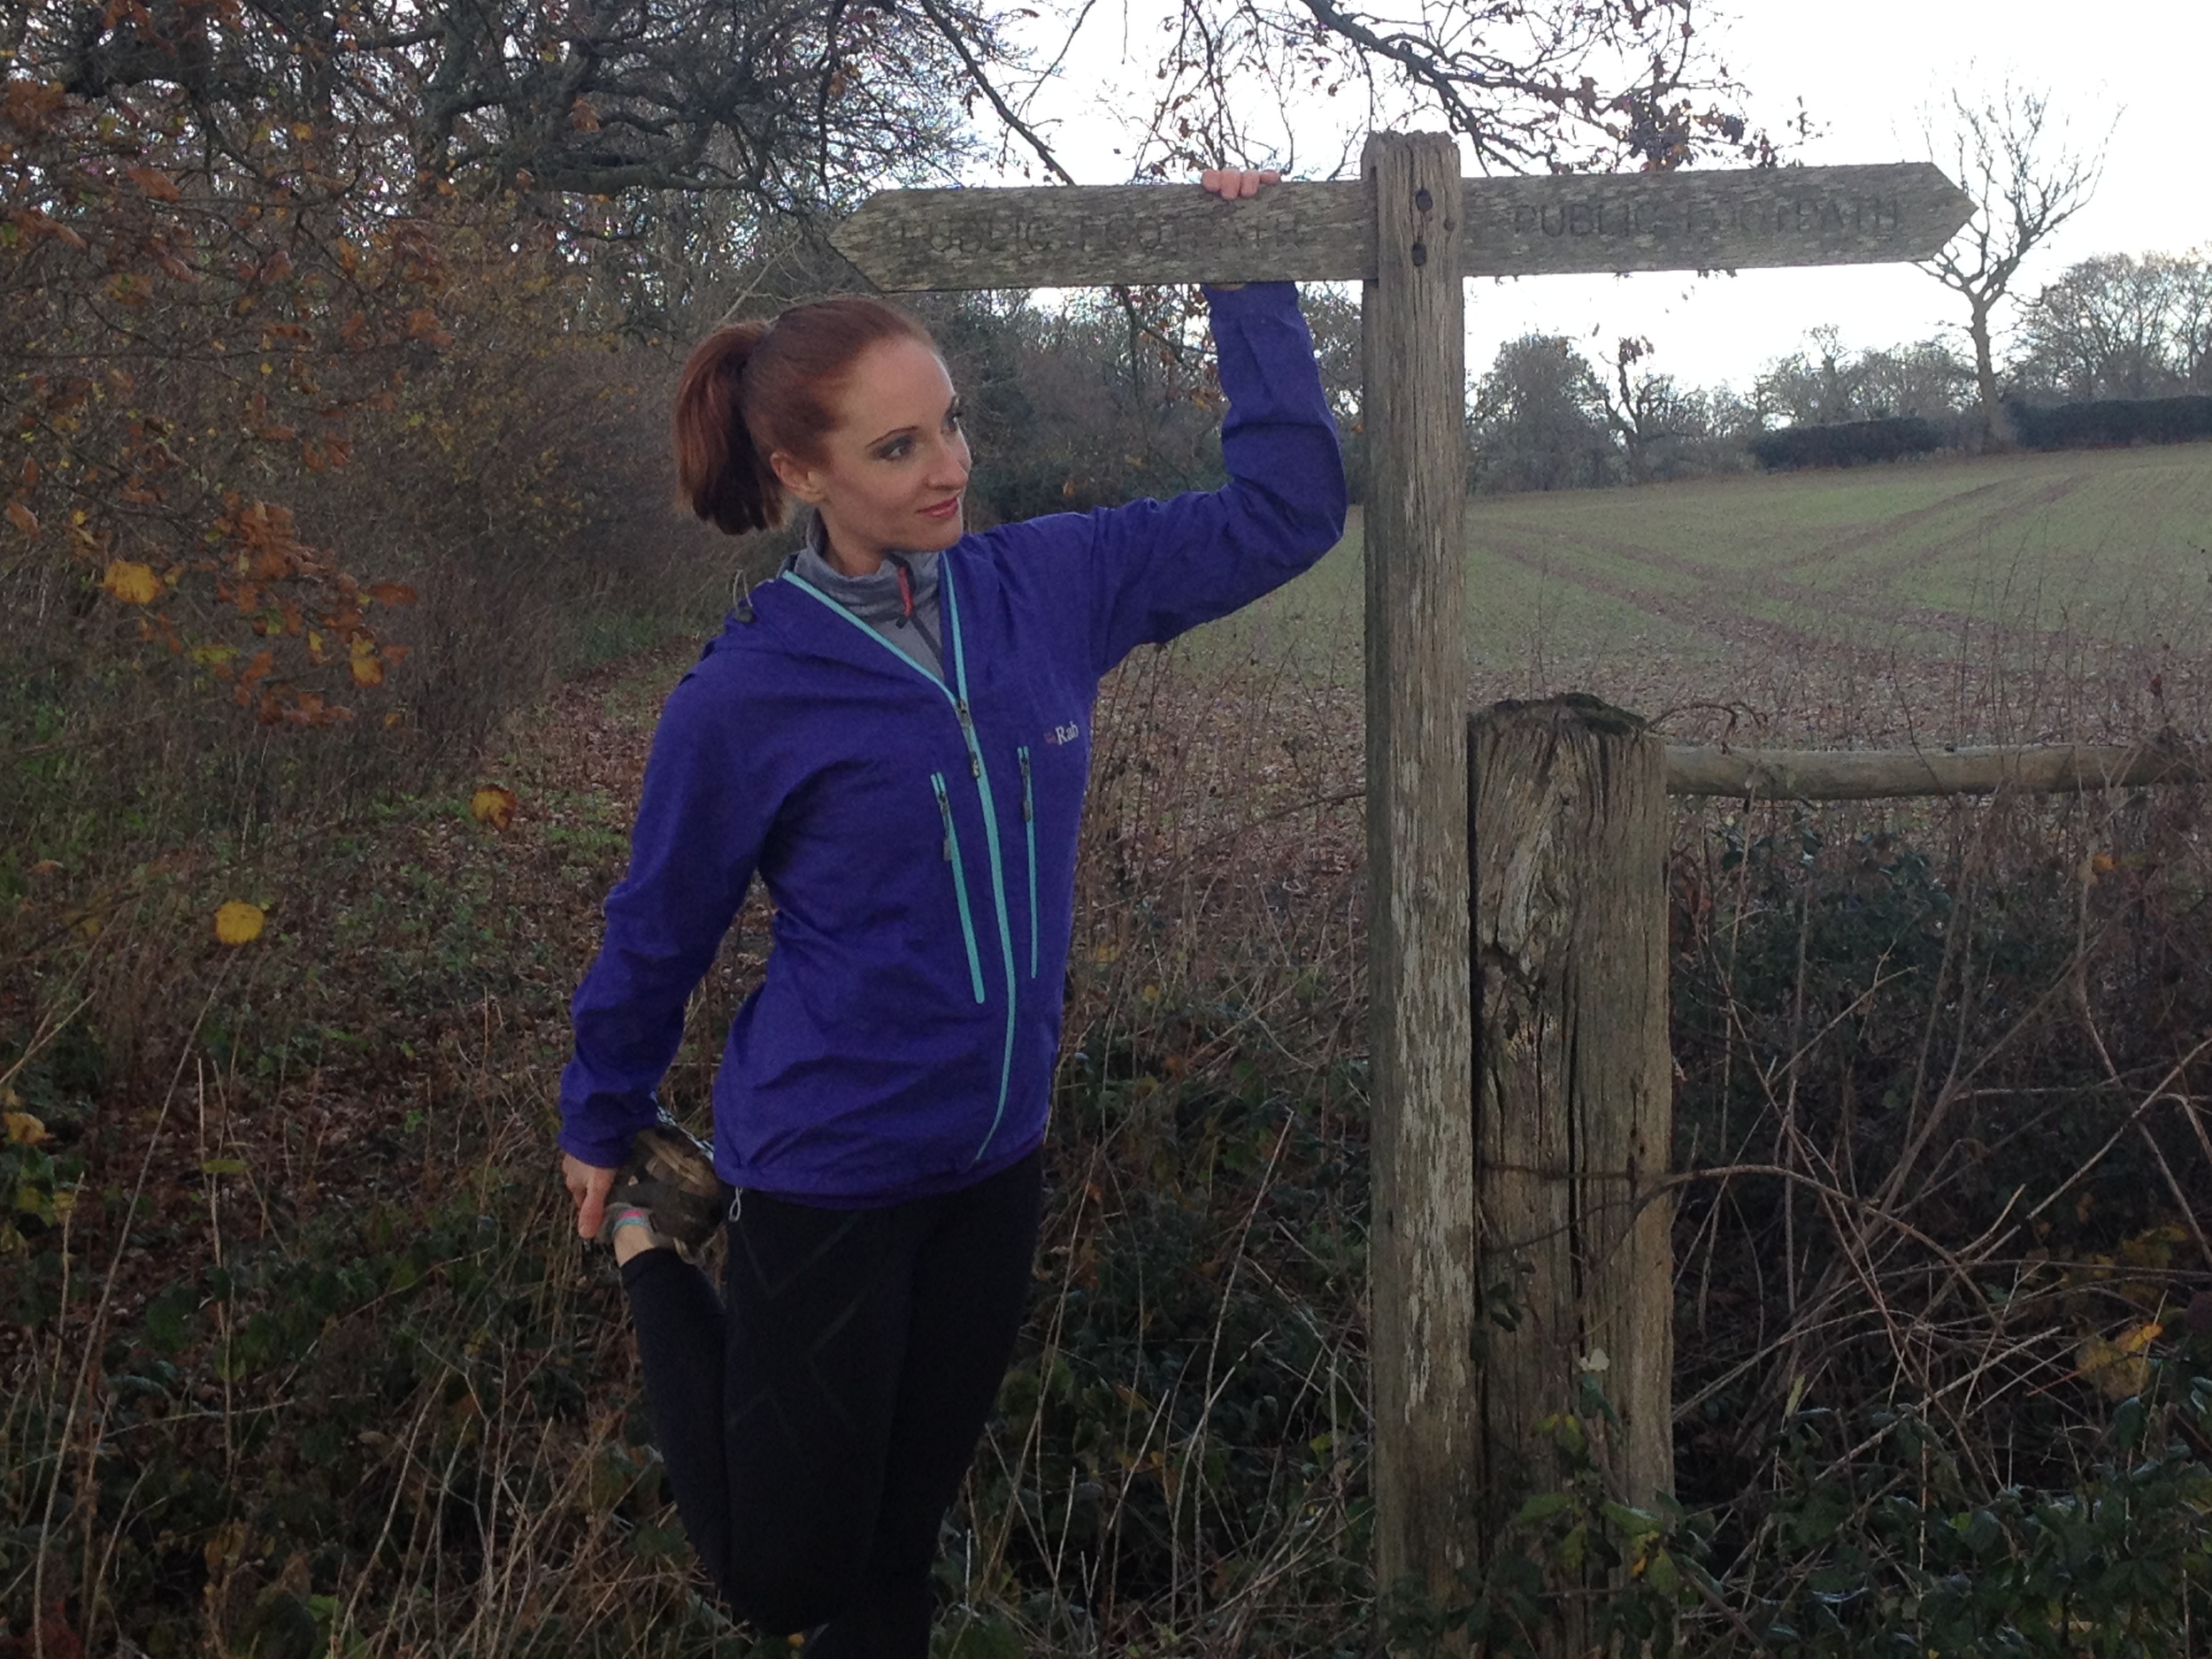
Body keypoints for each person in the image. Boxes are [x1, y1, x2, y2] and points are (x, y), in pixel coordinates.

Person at [556, 165, 1344, 1656]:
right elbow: (661, 924)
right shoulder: (745, 694)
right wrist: (604, 1119)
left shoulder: (1049, 584)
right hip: (832, 1166)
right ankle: (654, 1247)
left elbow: (1288, 513)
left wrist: (1249, 277)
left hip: (997, 1159)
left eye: (953, 424)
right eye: (898, 445)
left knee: (895, 1560)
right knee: (787, 1579)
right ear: (800, 472)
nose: (950, 468)